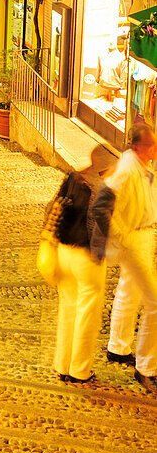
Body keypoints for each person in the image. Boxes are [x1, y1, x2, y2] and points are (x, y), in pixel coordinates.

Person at [93, 123, 157, 393]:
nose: (155, 148)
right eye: (151, 144)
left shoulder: (141, 166)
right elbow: (101, 205)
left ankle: (118, 348)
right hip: (134, 239)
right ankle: (147, 368)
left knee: (128, 292)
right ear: (138, 147)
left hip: (141, 236)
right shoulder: (129, 168)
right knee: (154, 303)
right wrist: (121, 236)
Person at [49, 144, 115, 384]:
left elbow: (53, 207)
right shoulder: (103, 189)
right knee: (87, 314)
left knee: (68, 310)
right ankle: (79, 370)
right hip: (86, 258)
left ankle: (63, 365)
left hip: (65, 251)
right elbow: (102, 226)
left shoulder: (73, 178)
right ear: (105, 168)